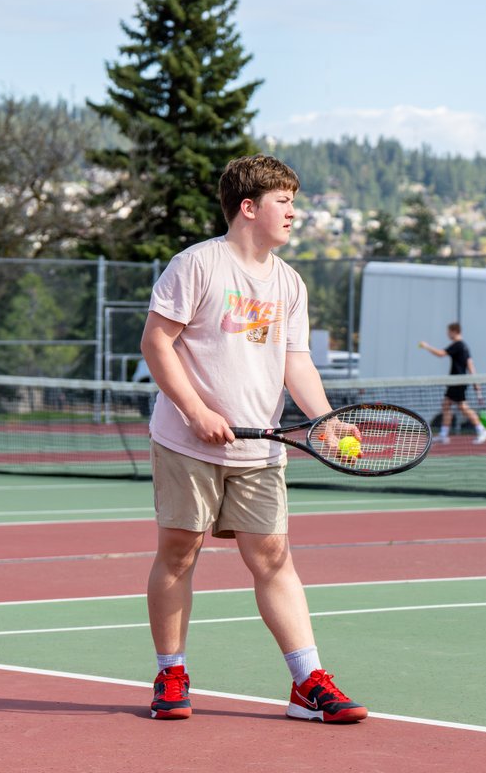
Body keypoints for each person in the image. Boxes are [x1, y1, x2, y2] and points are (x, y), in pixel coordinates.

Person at [139, 154, 368, 724]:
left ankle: (306, 683)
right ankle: (171, 674)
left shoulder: (289, 282)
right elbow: (156, 343)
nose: (294, 212)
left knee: (273, 558)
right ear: (249, 208)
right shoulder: (197, 265)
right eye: (284, 201)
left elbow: (298, 362)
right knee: (179, 552)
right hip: (186, 443)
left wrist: (326, 419)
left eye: (294, 201)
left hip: (259, 449)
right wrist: (194, 410)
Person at [418, 322, 486, 444]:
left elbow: (441, 354)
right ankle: (443, 434)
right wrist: (475, 381)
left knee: (463, 407)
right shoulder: (464, 346)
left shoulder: (458, 345)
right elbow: (470, 364)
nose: (447, 334)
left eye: (448, 332)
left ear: (454, 331)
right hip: (455, 382)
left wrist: (426, 346)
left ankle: (482, 430)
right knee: (446, 405)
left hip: (458, 382)